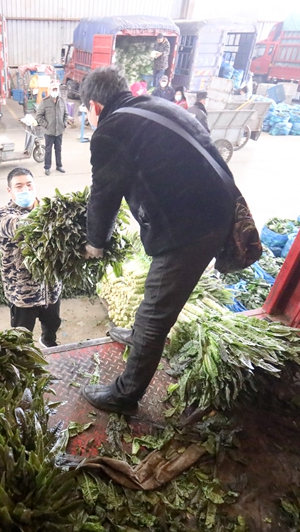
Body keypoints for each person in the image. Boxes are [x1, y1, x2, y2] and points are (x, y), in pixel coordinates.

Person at [78, 66, 236, 415]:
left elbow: (103, 195)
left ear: (95, 106)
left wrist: (95, 243)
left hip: (190, 229)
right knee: (155, 296)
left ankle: (125, 395)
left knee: (155, 313)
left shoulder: (111, 130)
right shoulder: (159, 106)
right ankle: (136, 337)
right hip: (215, 210)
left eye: (85, 112)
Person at [0, 167, 62, 348]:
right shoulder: (3, 215)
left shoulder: (50, 208)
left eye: (29, 185)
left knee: (53, 323)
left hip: (50, 288)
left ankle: (48, 341)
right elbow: (19, 227)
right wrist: (50, 217)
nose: (26, 189)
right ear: (10, 191)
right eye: (19, 186)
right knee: (21, 336)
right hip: (23, 292)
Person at [35, 81, 70, 176]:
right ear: (50, 91)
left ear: (58, 90)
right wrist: (46, 125)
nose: (55, 91)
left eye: (56, 89)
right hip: (49, 131)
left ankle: (59, 166)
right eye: (53, 90)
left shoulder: (62, 101)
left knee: (58, 149)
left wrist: (64, 123)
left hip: (59, 131)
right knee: (48, 150)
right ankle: (47, 167)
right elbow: (38, 116)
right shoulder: (45, 102)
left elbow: (66, 114)